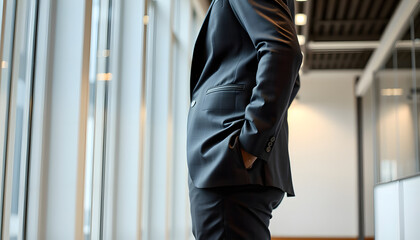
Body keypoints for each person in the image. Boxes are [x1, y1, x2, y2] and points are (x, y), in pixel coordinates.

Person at [186, 0, 302, 239]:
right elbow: (290, 75)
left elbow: (283, 51)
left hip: (228, 160)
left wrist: (251, 143)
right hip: (228, 163)